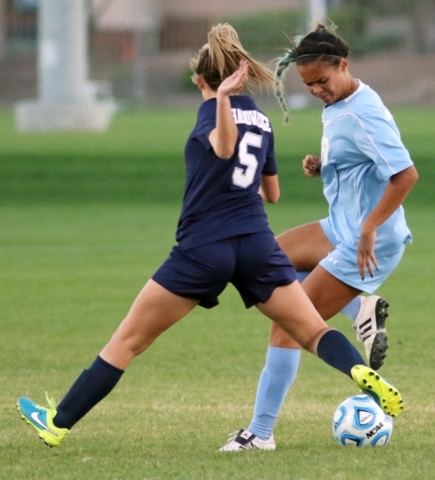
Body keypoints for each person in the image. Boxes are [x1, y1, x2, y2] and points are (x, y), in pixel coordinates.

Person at [17, 23, 403, 449]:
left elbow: (223, 147)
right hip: (256, 244)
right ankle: (357, 371)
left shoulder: (212, 109)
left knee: (127, 341)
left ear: (199, 80)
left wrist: (219, 102)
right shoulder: (261, 119)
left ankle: (57, 422)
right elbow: (271, 193)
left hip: (204, 249)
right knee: (310, 332)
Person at [219, 23, 417, 452]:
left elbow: (405, 176)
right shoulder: (347, 99)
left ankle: (260, 434)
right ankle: (360, 309)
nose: (316, 90)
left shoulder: (360, 112)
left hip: (367, 240)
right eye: (308, 85)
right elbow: (359, 161)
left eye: (322, 81)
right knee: (265, 259)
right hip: (341, 226)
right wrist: (325, 166)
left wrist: (368, 229)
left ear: (343, 65)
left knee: (287, 325)